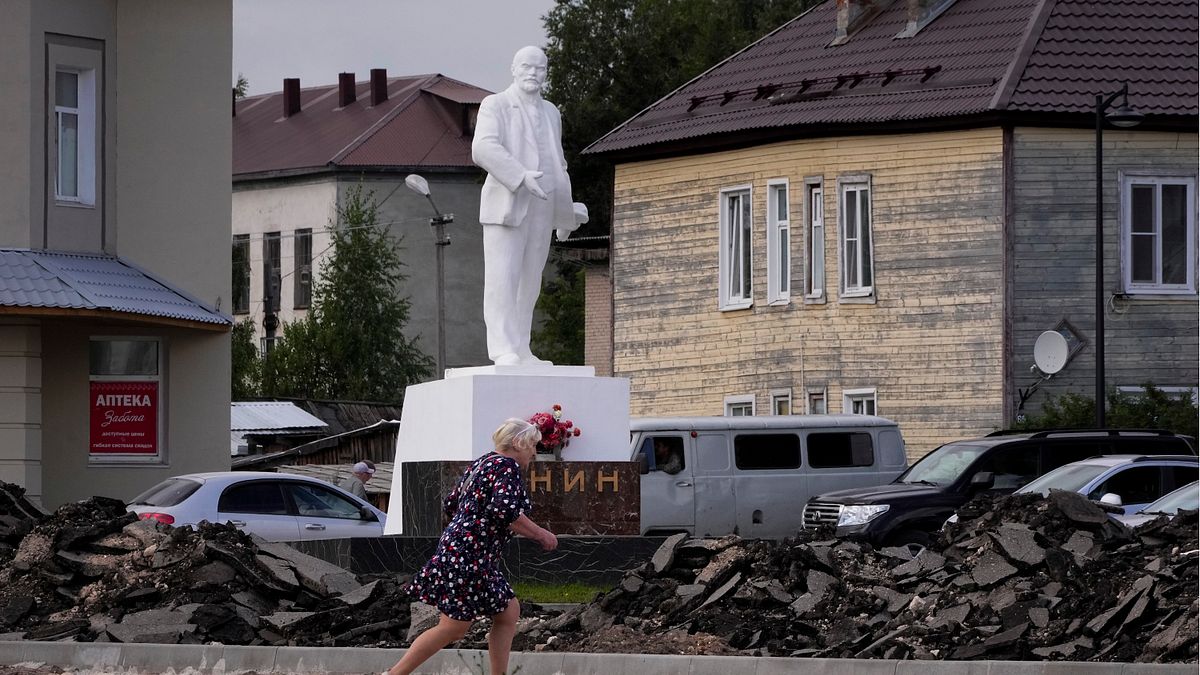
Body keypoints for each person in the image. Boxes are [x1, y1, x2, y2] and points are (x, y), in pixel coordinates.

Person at [385, 418, 558, 675]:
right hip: (470, 555)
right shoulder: (507, 466)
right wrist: (541, 534)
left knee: (508, 612)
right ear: (519, 443)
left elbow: (452, 503)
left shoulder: (482, 462)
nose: (534, 453)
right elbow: (505, 511)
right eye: (532, 445)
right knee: (453, 627)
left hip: (465, 551)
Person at [472, 46, 586, 367]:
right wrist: (519, 176)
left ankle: (522, 347)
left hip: (542, 206)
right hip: (508, 204)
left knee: (530, 281)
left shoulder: (551, 112)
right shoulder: (495, 104)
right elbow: (482, 148)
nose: (533, 73)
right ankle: (502, 348)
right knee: (503, 279)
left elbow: (557, 162)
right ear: (514, 69)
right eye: (527, 67)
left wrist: (565, 212)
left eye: (540, 68)